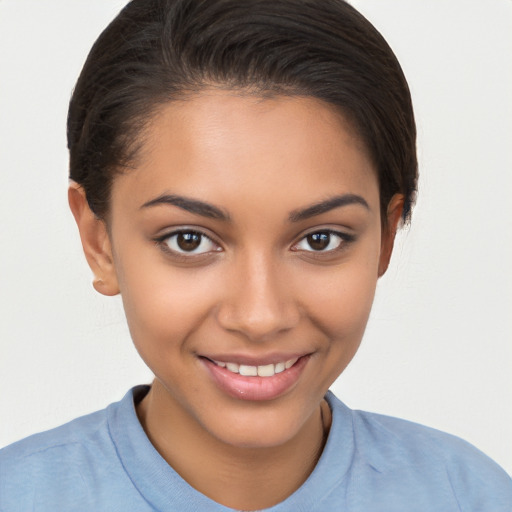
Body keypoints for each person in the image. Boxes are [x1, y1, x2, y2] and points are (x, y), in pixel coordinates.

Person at [0, 0, 510, 510]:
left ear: (386, 237)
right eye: (189, 240)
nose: (260, 317)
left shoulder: (469, 496)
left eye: (320, 239)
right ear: (99, 241)